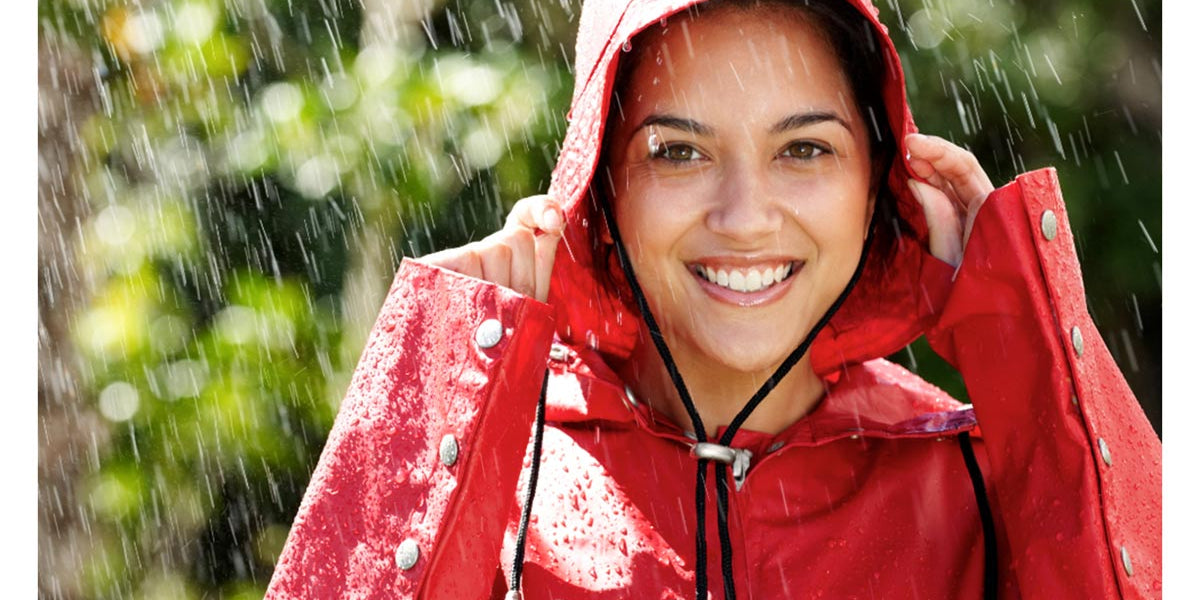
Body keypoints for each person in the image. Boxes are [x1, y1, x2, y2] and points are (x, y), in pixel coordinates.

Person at [266, 0, 1162, 598]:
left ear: (878, 184)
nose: (743, 217)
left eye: (805, 149)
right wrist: (436, 382)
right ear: (597, 191)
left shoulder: (973, 475)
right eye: (677, 152)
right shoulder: (497, 471)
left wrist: (1027, 336)